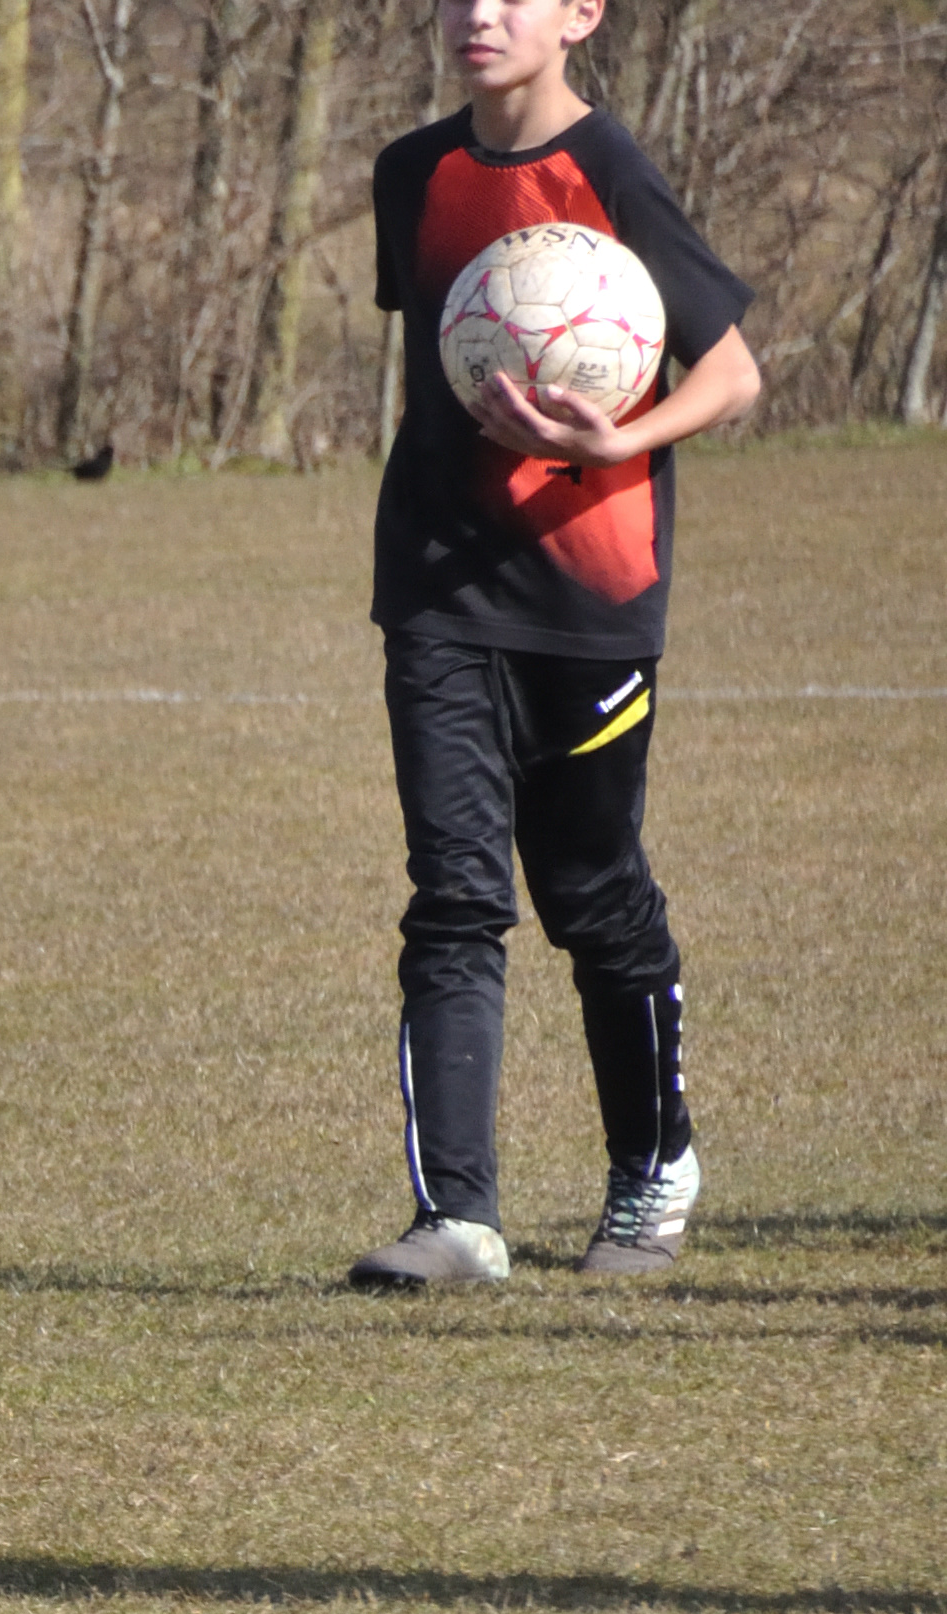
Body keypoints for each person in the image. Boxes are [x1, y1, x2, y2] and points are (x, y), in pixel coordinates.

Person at [351, 0, 759, 1288]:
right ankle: (456, 1220)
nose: (480, 14)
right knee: (456, 895)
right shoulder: (410, 173)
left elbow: (732, 372)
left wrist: (621, 440)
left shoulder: (615, 170)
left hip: (590, 600)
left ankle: (652, 1168)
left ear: (580, 15)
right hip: (435, 585)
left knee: (589, 894)